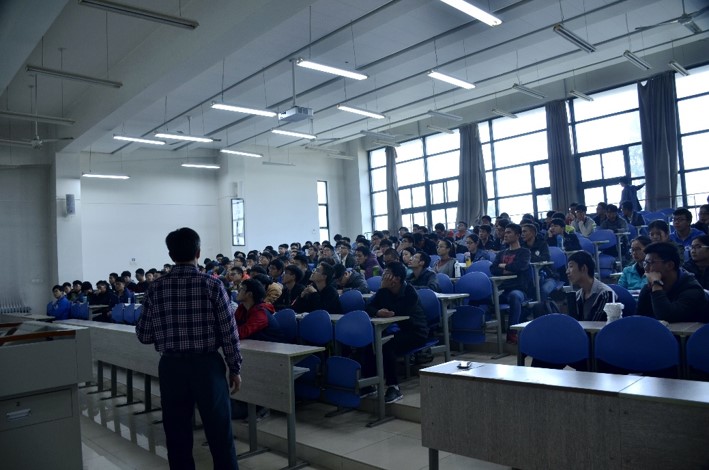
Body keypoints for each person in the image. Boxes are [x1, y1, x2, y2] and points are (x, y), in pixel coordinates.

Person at [136, 227, 241, 470]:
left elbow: (144, 335)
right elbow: (229, 332)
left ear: (171, 255)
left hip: (171, 367)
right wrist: (235, 368)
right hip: (207, 366)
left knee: (177, 435)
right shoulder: (213, 285)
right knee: (220, 434)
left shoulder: (155, 288)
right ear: (198, 252)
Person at [366, 262, 428, 404]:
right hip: (398, 330)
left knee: (387, 346)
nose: (383, 276)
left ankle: (393, 387)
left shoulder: (410, 292)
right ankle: (370, 383)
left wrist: (383, 291)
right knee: (370, 344)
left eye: (387, 273)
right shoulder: (386, 291)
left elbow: (397, 311)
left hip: (416, 332)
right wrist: (377, 311)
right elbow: (368, 306)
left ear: (397, 278)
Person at [636, 241, 708, 323]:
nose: (646, 268)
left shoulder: (692, 289)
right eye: (645, 263)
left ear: (670, 265)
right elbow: (639, 320)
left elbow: (667, 317)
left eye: (650, 263)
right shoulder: (648, 289)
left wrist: (656, 285)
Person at [490, 223, 532, 344]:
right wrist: (508, 268)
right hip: (502, 289)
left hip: (518, 289)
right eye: (505, 232)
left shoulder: (524, 252)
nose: (505, 235)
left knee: (514, 296)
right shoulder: (501, 253)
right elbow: (493, 269)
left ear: (517, 235)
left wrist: (502, 266)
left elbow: (519, 267)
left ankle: (512, 333)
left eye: (509, 232)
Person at [566, 251, 615, 322]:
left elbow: (593, 325)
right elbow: (573, 323)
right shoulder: (577, 296)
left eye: (571, 266)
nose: (567, 272)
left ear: (583, 268)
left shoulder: (605, 294)